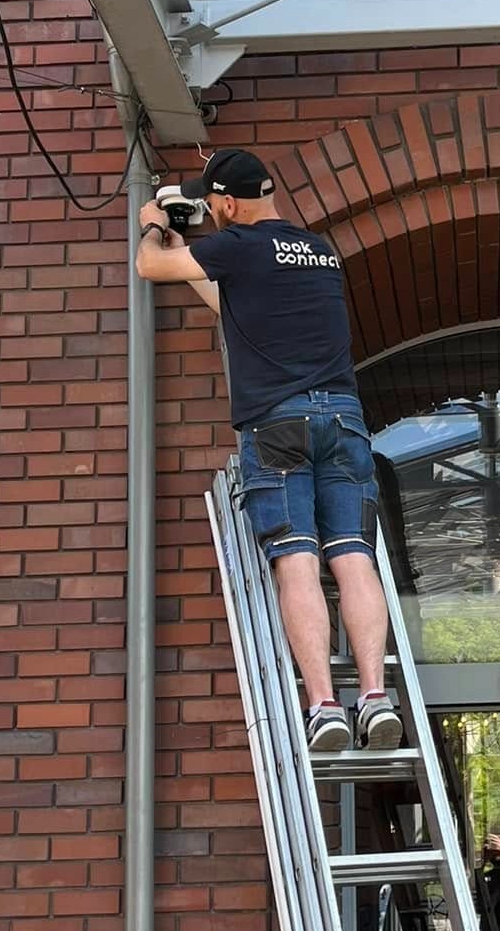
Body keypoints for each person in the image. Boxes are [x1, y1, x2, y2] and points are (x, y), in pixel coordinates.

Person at [135, 147, 403, 756]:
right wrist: (197, 250)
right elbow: (232, 305)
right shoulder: (320, 252)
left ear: (227, 203)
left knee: (297, 560)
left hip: (278, 428)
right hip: (345, 420)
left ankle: (324, 707)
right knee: (354, 559)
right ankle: (373, 695)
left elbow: (150, 267)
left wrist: (156, 222)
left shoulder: (239, 246)